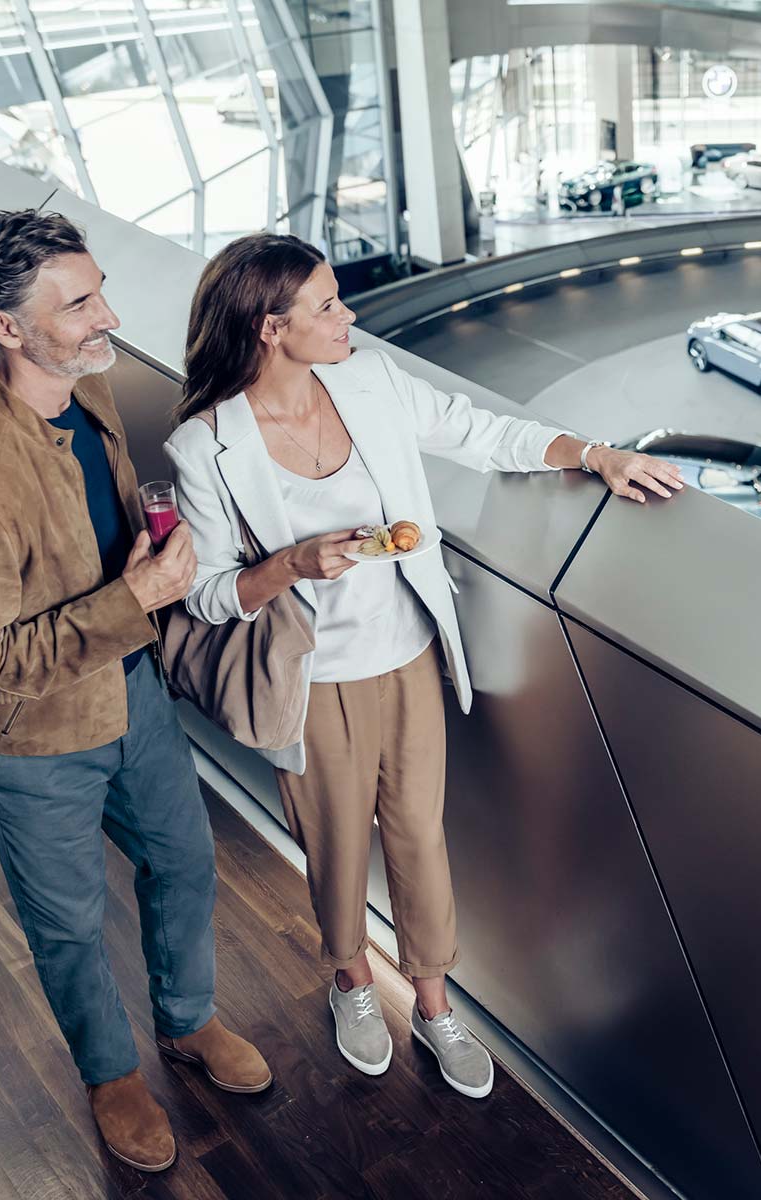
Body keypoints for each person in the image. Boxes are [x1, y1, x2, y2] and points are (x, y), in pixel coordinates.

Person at [164, 234, 684, 1097]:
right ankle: (351, 983)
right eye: (327, 306)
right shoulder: (204, 447)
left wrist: (597, 456)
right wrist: (291, 565)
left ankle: (435, 1001)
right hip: (315, 677)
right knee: (333, 839)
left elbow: (482, 434)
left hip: (407, 654)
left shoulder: (369, 380)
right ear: (269, 328)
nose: (349, 316)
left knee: (416, 835)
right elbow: (212, 595)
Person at [0, 210, 272, 1175]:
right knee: (67, 925)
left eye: (100, 286)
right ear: (4, 327)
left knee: (185, 866)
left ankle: (186, 1022)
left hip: (131, 697)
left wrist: (139, 565)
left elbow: (84, 528)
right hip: (36, 744)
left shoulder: (84, 385)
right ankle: (111, 1073)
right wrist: (135, 598)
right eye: (79, 302)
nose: (109, 312)